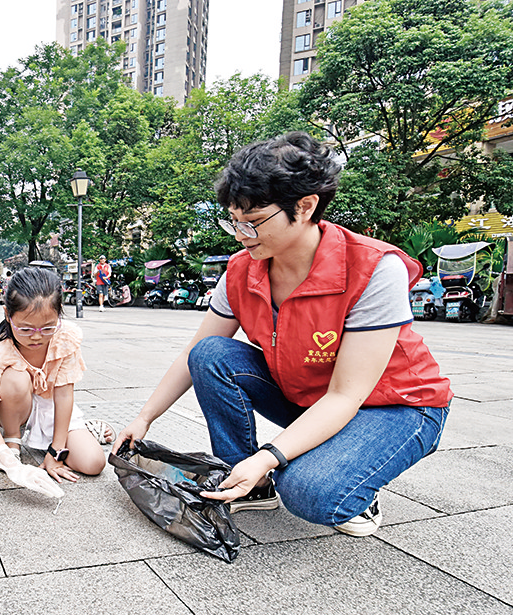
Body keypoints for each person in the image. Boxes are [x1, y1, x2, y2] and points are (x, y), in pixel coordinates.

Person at [115, 132, 452, 537]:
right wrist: (144, 418)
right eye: (233, 221)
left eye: (254, 223)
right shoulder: (242, 270)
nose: (241, 235)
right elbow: (195, 353)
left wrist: (271, 455)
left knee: (310, 493)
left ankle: (357, 480)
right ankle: (249, 484)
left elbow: (348, 394)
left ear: (306, 206)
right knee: (210, 354)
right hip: (310, 397)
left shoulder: (373, 269)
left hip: (395, 406)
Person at [0, 268, 108, 497]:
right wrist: (4, 458)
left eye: (47, 327)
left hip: (52, 406)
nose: (36, 337)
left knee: (93, 463)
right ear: (7, 314)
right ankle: (12, 440)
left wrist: (56, 452)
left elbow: (64, 395)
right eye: (25, 329)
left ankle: (89, 429)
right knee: (16, 378)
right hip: (14, 405)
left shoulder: (65, 339)